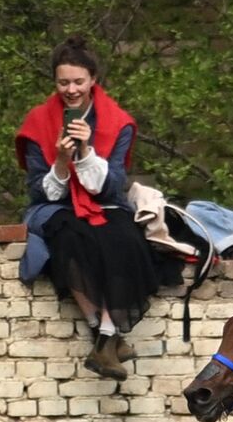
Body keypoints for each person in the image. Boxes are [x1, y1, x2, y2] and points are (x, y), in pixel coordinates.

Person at [15, 36, 158, 380]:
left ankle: (106, 336)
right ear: (54, 82)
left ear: (93, 79)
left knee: (123, 239)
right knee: (70, 240)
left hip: (104, 202)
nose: (71, 90)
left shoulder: (117, 121)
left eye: (79, 81)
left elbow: (111, 186)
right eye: (63, 82)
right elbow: (40, 192)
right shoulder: (37, 121)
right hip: (57, 204)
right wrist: (63, 160)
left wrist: (88, 151)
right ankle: (105, 335)